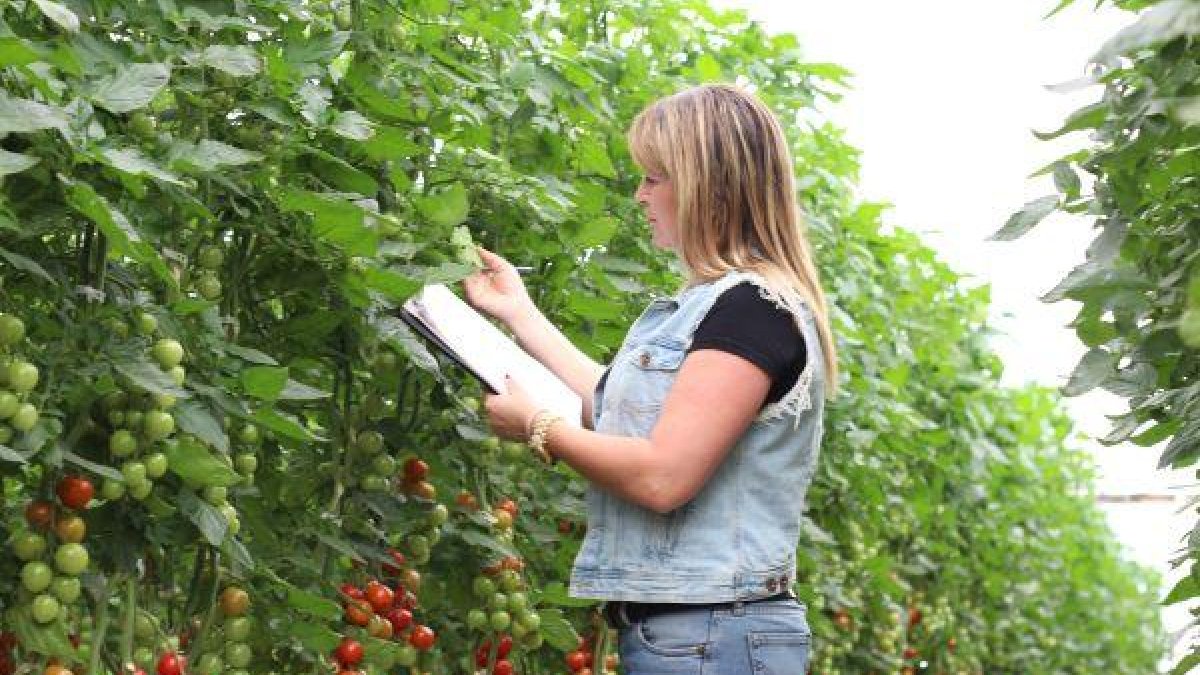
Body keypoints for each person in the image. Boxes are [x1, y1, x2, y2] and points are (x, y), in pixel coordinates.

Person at [464, 83, 838, 674]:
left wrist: (540, 427)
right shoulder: (720, 304)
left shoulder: (753, 309)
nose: (640, 196)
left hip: (712, 637)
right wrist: (519, 314)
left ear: (706, 186)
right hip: (698, 634)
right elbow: (617, 405)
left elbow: (665, 477)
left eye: (653, 178)